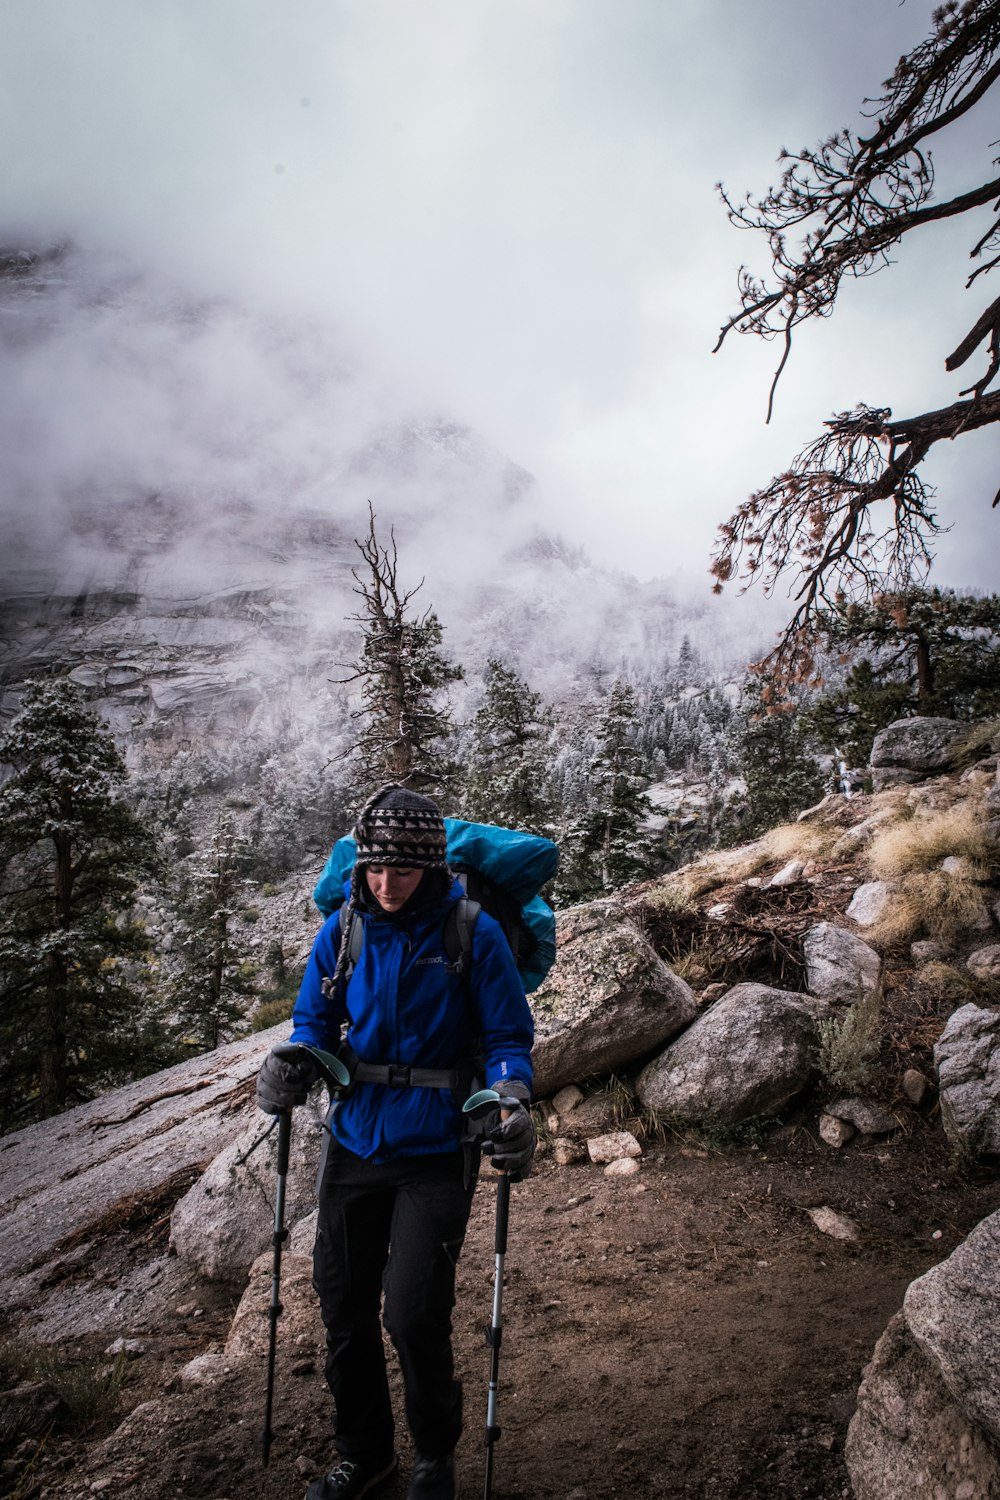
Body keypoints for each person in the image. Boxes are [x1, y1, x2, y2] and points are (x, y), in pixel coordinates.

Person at [256, 785, 536, 1500]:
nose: (386, 886)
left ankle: (434, 1453)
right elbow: (315, 1021)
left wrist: (510, 1098)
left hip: (439, 1143)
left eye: (402, 873)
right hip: (354, 1136)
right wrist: (293, 1060)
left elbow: (507, 1037)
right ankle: (365, 1453)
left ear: (432, 868)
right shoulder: (343, 928)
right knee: (343, 1304)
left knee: (412, 1311)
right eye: (375, 871)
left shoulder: (473, 931)